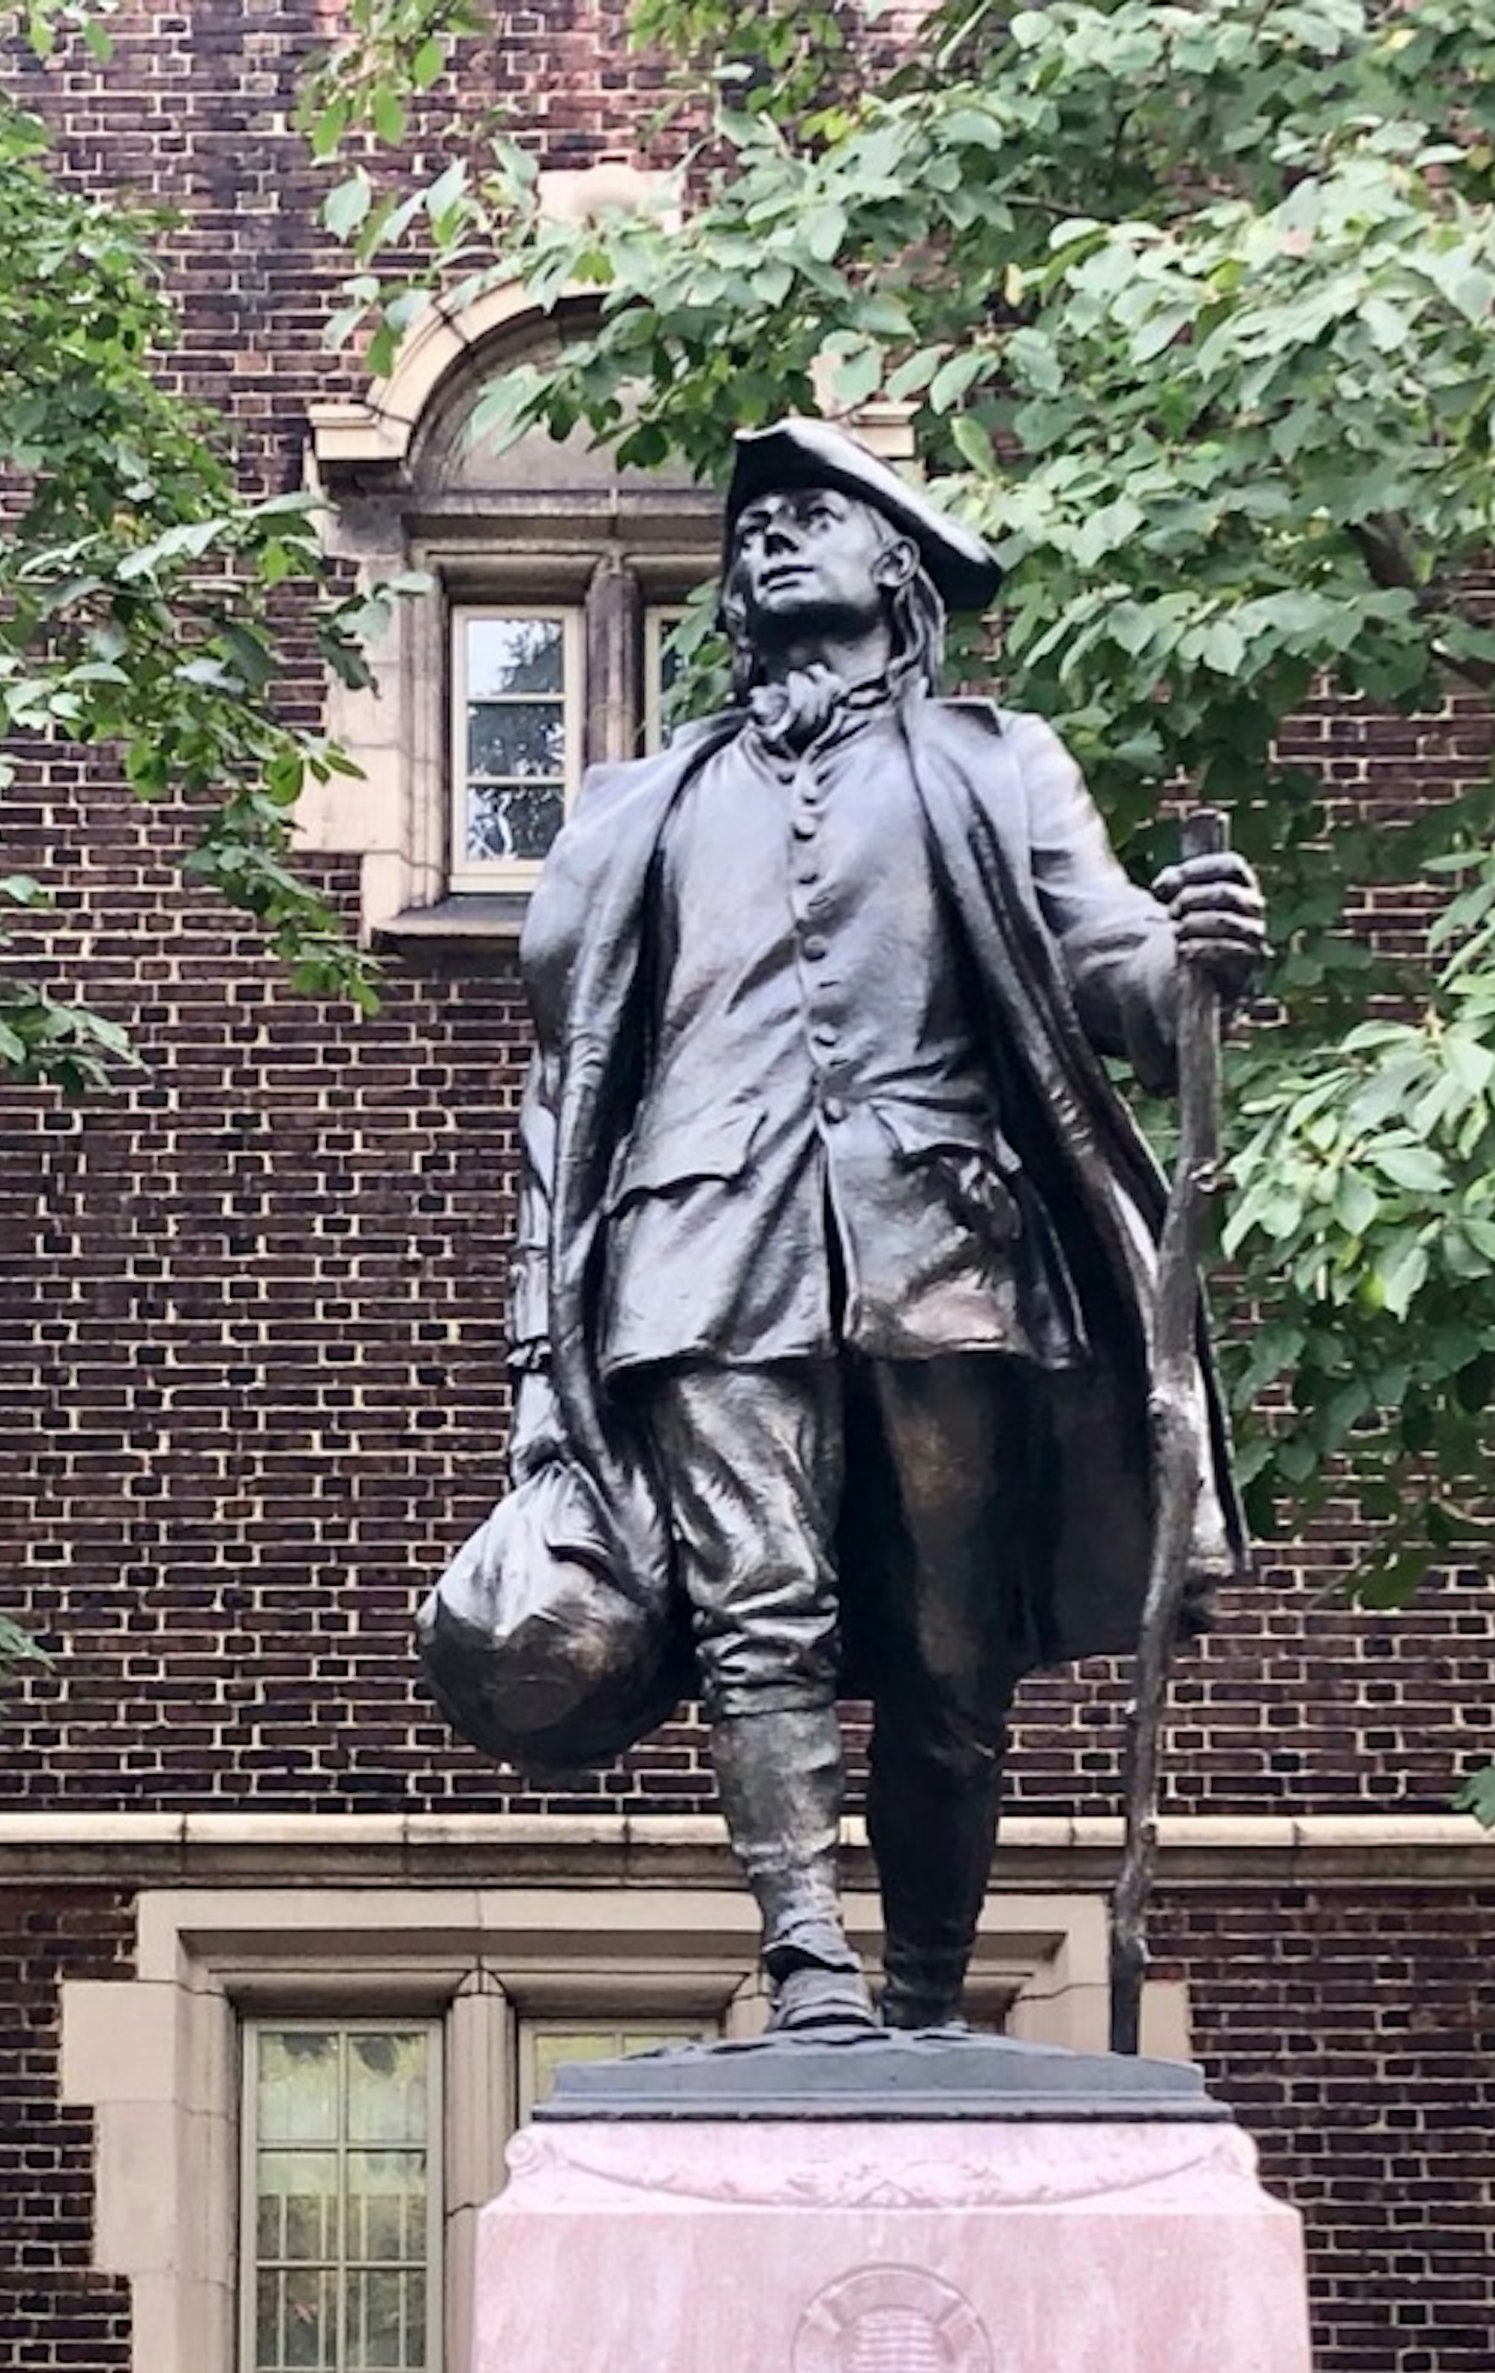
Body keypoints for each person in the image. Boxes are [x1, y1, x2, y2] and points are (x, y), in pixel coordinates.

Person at [487, 418, 1263, 2032]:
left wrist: (1189, 964)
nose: (770, 537)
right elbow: (567, 1091)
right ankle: (806, 1966)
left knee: (947, 1644)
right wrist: (533, 1355)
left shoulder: (996, 762)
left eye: (815, 515)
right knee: (754, 1607)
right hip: (696, 1248)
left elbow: (1099, 948)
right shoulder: (639, 804)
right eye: (753, 519)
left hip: (947, 1248)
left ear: (895, 567)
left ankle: (922, 1993)